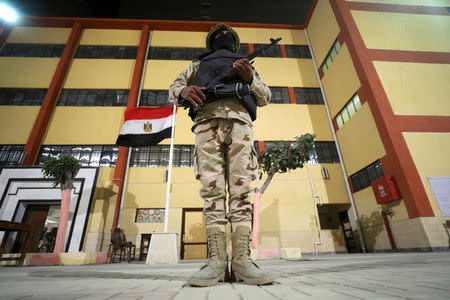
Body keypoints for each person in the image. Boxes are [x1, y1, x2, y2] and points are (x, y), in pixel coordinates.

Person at [169, 23, 276, 287]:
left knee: (241, 192)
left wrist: (249, 77)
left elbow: (265, 96)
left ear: (235, 43)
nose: (222, 36)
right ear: (211, 43)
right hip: (206, 124)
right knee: (212, 191)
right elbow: (175, 87)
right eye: (217, 36)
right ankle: (216, 262)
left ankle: (241, 261)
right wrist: (184, 91)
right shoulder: (197, 64)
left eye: (226, 35)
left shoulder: (245, 64)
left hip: (240, 125)